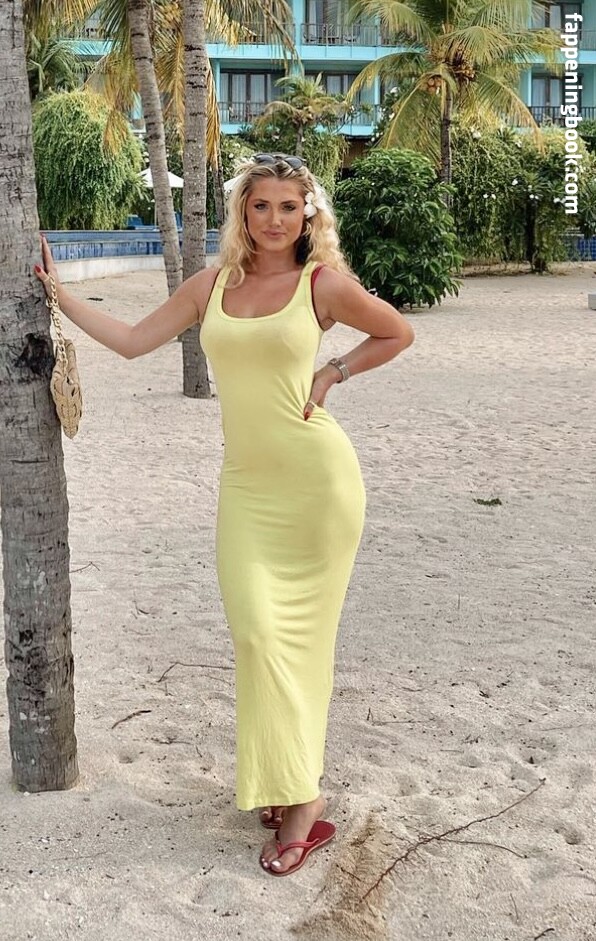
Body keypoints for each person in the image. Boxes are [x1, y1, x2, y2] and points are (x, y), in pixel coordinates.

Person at [35, 153, 415, 877]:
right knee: (257, 634)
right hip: (246, 490)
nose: (274, 219)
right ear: (243, 211)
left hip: (318, 486)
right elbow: (132, 341)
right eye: (260, 205)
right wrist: (60, 294)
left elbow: (397, 332)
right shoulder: (210, 286)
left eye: (288, 206)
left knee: (301, 643)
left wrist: (332, 373)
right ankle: (284, 779)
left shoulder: (322, 284)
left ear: (308, 214)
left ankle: (301, 801)